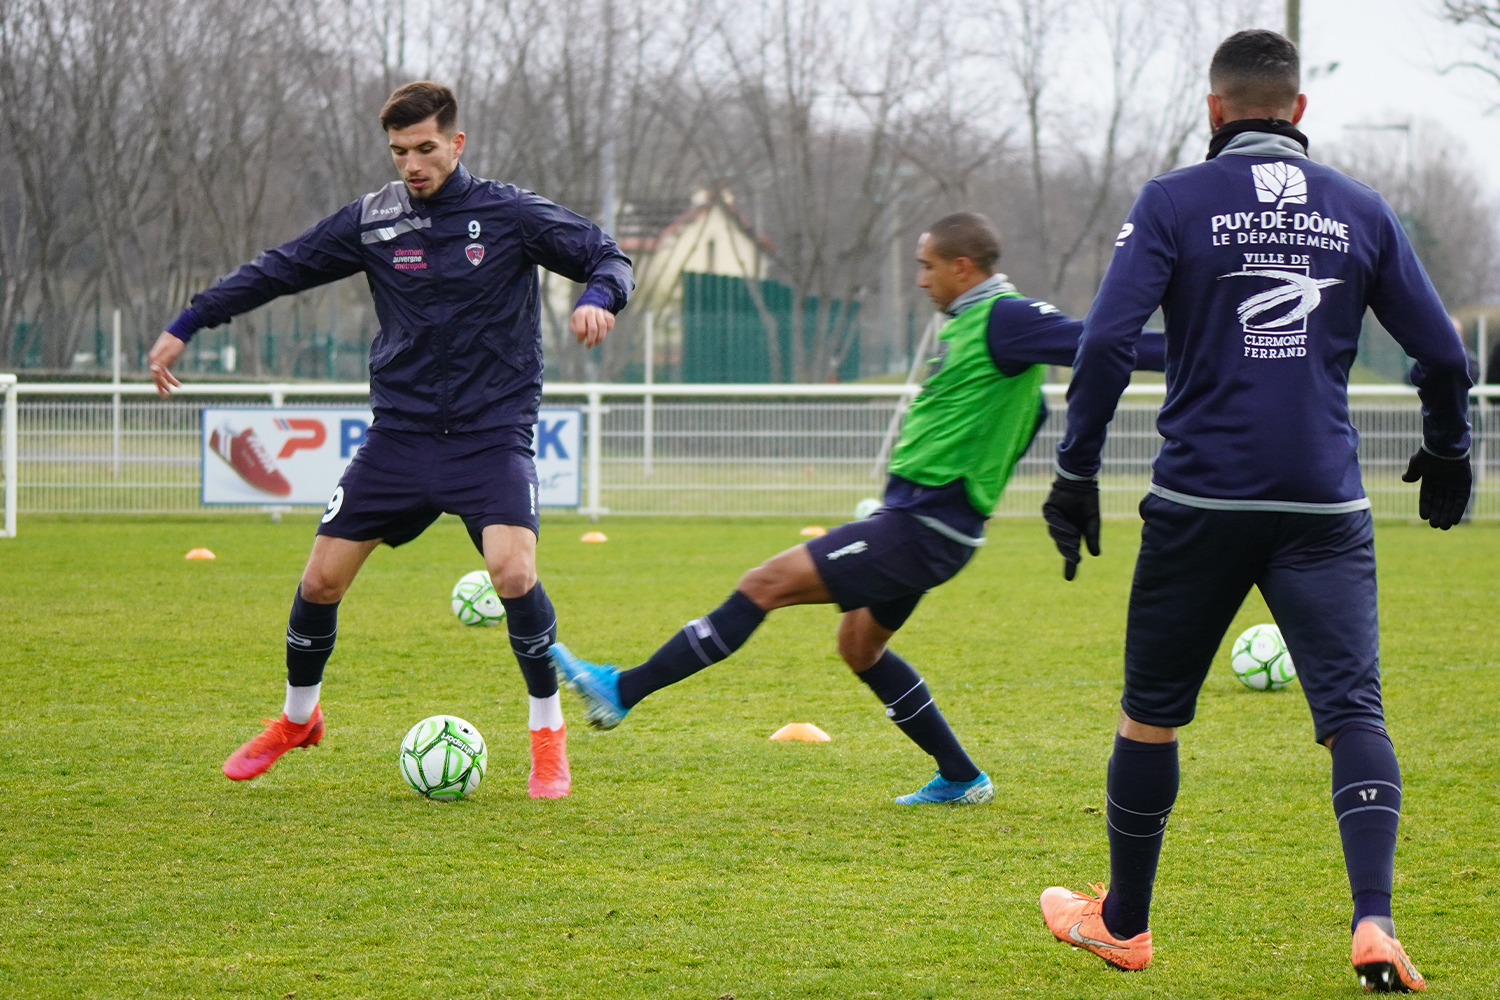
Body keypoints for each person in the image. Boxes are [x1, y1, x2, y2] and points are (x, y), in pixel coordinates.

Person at [1037, 30, 1470, 991]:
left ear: (1214, 109)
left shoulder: (1174, 200)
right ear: (1298, 110)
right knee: (1354, 714)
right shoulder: (1360, 207)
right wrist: (1448, 447)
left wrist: (1075, 471)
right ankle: (1373, 922)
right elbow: (1444, 355)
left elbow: (1106, 343)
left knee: (1151, 716)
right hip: (1324, 501)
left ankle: (1125, 925)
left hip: (1201, 498)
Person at [550, 212, 1165, 804]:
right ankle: (960, 776)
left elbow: (1104, 341)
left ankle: (622, 690)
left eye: (927, 266)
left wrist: (1203, 346)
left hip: (923, 527)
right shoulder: (972, 324)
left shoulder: (1006, 317)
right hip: (921, 522)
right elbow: (1030, 412)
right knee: (859, 647)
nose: (920, 279)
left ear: (962, 266)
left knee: (763, 585)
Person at [146, 81, 633, 799]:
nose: (412, 164)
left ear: (456, 143)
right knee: (320, 582)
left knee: (513, 574)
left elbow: (608, 255)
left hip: (490, 435)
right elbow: (280, 268)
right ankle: (298, 719)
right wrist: (188, 322)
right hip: (400, 437)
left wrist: (598, 297)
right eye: (400, 152)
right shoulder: (374, 220)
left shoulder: (509, 213)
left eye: (425, 148)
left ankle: (547, 733)